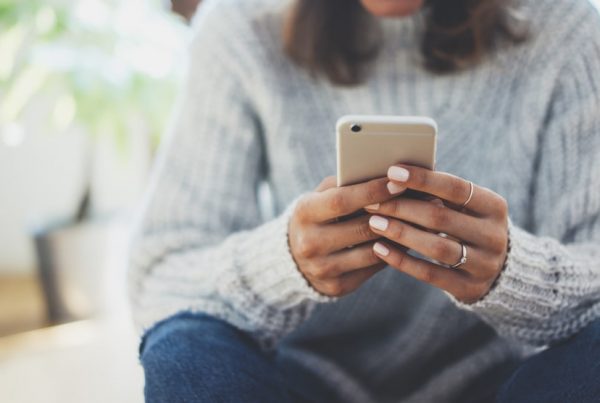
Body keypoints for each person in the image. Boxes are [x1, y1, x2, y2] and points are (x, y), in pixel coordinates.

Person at [129, 0, 600, 401]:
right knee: (183, 348)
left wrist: (514, 273)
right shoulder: (241, 23)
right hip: (297, 382)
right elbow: (161, 280)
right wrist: (283, 263)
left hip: (499, 382)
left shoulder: (567, 25)